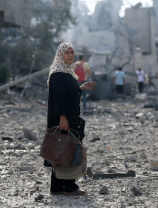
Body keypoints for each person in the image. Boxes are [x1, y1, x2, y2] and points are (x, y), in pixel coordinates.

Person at [46, 43, 95, 196]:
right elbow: (59, 98)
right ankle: (70, 186)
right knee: (67, 149)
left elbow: (69, 93)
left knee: (62, 149)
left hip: (70, 117)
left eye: (72, 52)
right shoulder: (57, 73)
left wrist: (81, 88)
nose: (70, 55)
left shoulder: (68, 73)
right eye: (66, 52)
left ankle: (56, 187)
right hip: (63, 118)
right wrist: (62, 118)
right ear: (61, 54)